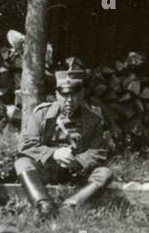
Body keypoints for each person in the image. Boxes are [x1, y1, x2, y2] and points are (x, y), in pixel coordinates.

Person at [14, 64, 112, 217]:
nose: (69, 100)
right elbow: (26, 144)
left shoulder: (93, 120)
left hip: (76, 172)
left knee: (105, 173)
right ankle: (43, 204)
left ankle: (70, 206)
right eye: (64, 95)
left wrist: (79, 161)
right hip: (47, 168)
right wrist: (54, 153)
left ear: (82, 94)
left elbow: (99, 151)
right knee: (21, 162)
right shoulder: (41, 114)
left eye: (74, 94)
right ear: (56, 94)